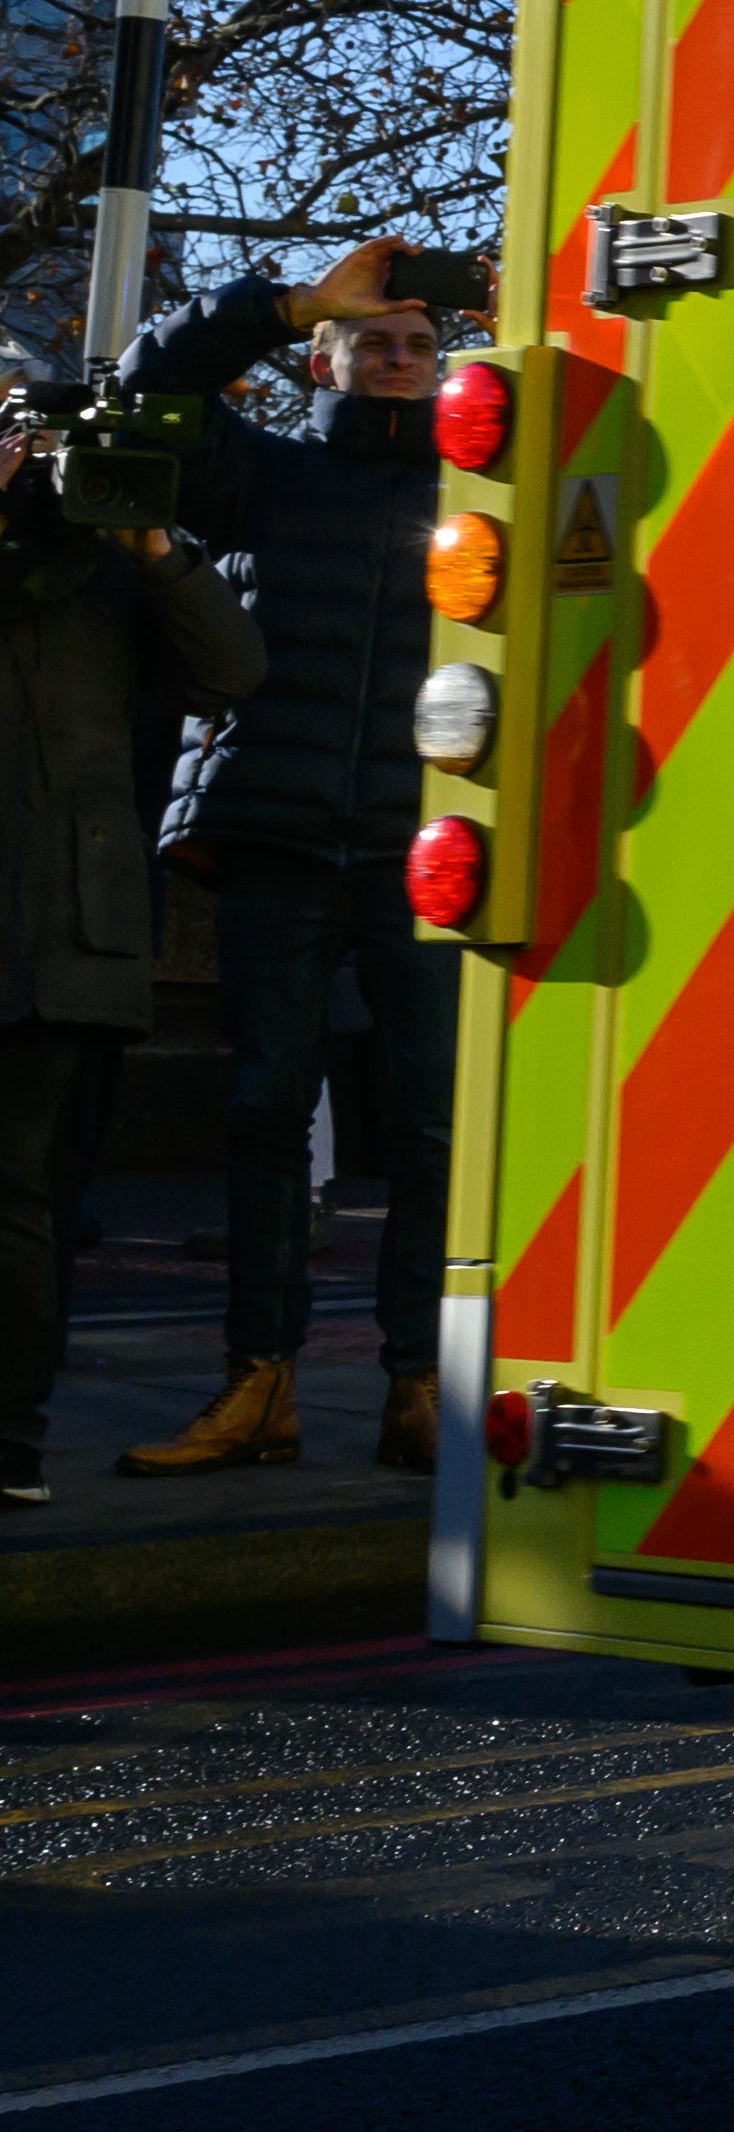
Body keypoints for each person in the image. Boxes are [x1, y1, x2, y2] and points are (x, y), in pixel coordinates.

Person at [115, 240, 457, 1479]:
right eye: (374, 340)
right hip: (275, 834)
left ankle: (417, 1385)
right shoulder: (262, 474)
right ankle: (257, 1383)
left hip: (426, 854)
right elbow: (149, 385)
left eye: (419, 345)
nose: (398, 360)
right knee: (265, 1108)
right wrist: (294, 296)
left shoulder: (488, 503)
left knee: (428, 1127)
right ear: (327, 354)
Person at [0, 355, 269, 1508]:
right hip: (60, 918)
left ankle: (8, 1441)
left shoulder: (121, 567)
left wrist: (156, 546)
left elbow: (235, 668)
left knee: (20, 1196)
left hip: (65, 926)